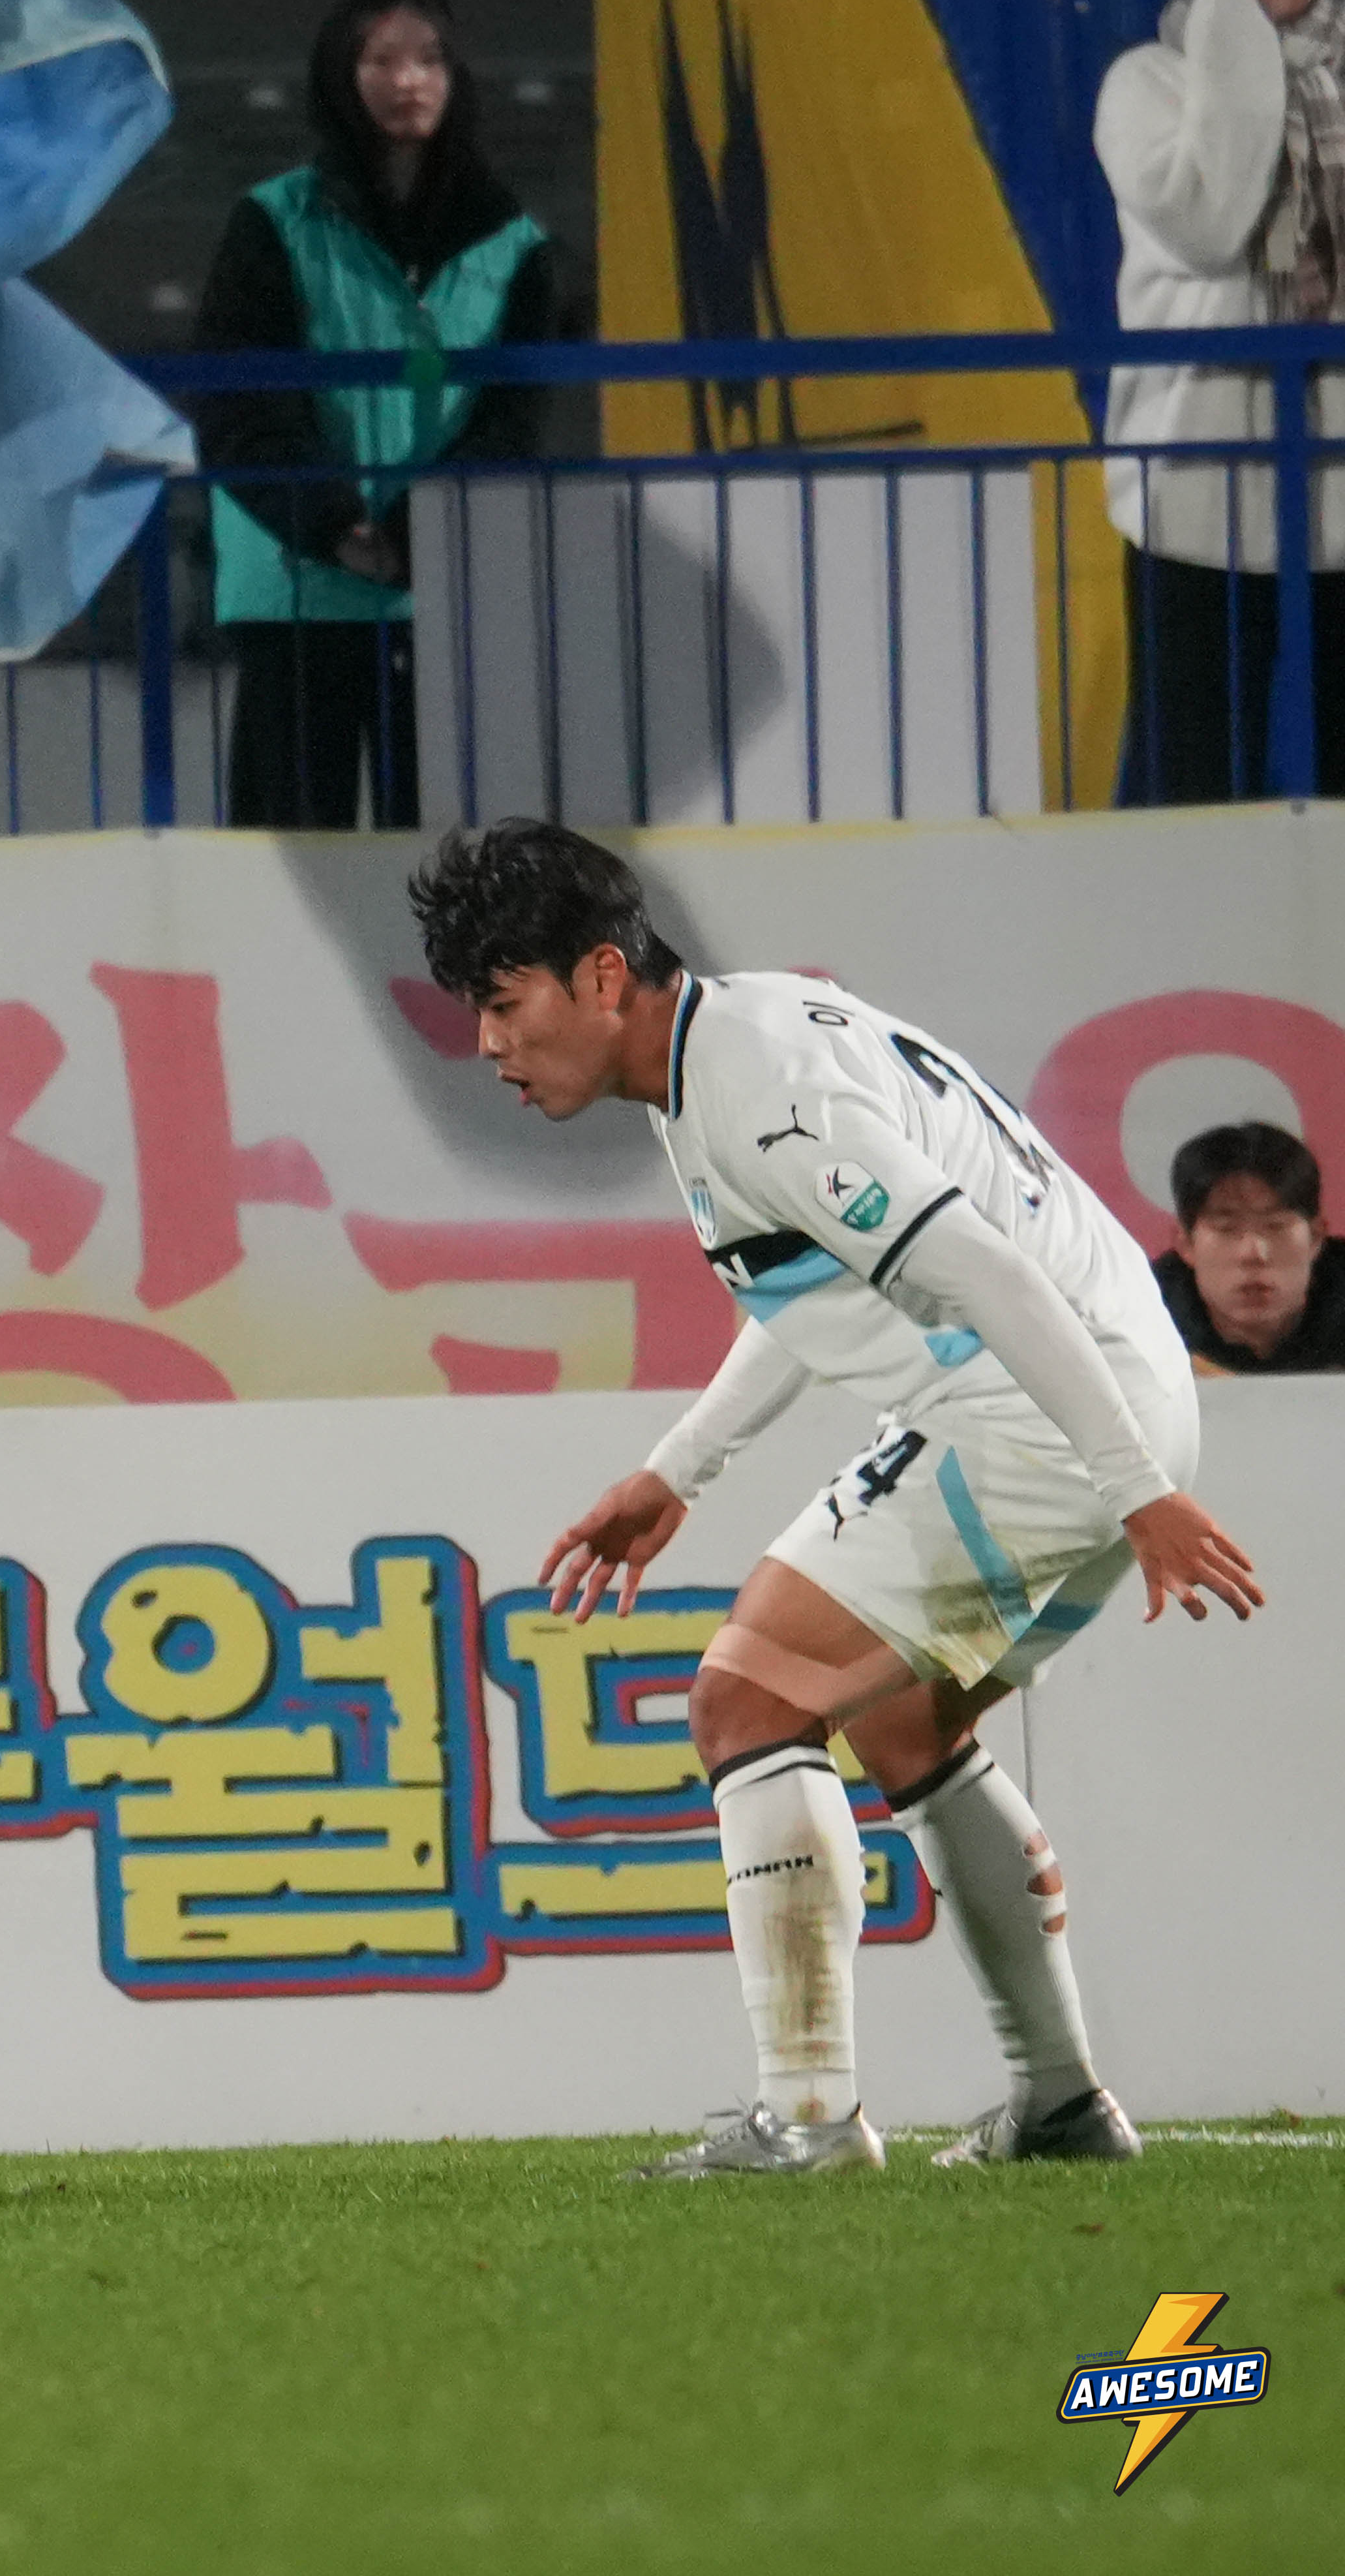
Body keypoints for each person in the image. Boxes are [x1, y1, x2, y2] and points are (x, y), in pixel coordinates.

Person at [408, 820, 1260, 2177]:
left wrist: (1134, 1490)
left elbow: (986, 1273)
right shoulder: (738, 1042)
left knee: (744, 1701)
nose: (489, 1044)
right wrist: (677, 1469)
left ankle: (807, 2119)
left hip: (1044, 1419)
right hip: (1103, 1405)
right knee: (905, 1720)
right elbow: (815, 1289)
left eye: (506, 1005)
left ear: (604, 976)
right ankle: (1061, 2106)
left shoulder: (757, 1095)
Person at [196, 0, 557, 832]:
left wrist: (418, 534)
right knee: (286, 862)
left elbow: (512, 421)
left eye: (429, 60)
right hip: (296, 594)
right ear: (340, 75)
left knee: (446, 865)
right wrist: (334, 527)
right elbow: (240, 407)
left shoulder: (516, 243)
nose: (408, 81)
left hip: (443, 599)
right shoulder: (273, 222)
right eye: (382, 60)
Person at [1098, 0, 1345, 801]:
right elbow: (1210, 220)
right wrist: (1234, 36)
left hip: (1341, 499)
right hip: (1199, 506)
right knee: (1194, 786)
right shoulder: (1147, 84)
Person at [1156, 1119, 1345, 1369]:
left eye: (1276, 1226)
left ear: (1316, 1237)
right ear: (1186, 1244)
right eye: (1226, 1229)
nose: (1254, 1253)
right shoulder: (1140, 1315)